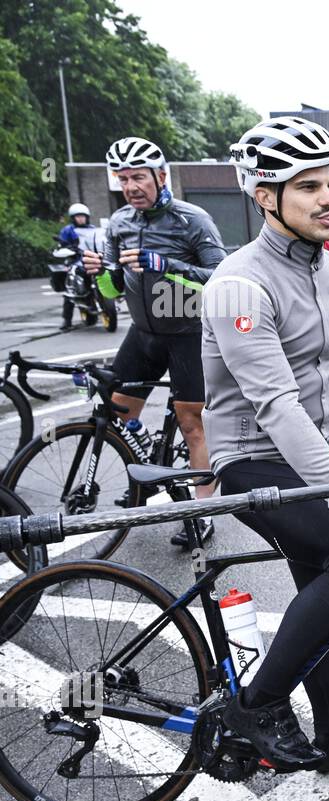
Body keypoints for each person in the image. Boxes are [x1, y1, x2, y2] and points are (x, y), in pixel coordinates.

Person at [206, 116, 329, 775]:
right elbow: (275, 405)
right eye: (308, 186)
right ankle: (255, 705)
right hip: (251, 460)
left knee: (326, 587)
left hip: (311, 459)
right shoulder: (239, 283)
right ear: (265, 196)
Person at [82, 137, 226, 545]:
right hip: (143, 334)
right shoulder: (119, 223)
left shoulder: (192, 219)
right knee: (114, 408)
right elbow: (112, 290)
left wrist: (167, 265)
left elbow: (220, 276)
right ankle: (147, 453)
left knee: (192, 425)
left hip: (188, 334)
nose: (130, 187)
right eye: (123, 179)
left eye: (138, 177)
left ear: (161, 176)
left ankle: (202, 513)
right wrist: (99, 273)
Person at [56, 203, 108, 330]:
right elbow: (61, 245)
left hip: (91, 258)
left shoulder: (93, 229)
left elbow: (100, 241)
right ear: (73, 218)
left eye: (83, 216)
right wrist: (66, 247)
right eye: (78, 217)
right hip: (75, 260)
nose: (81, 219)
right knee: (70, 290)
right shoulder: (68, 230)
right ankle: (66, 320)